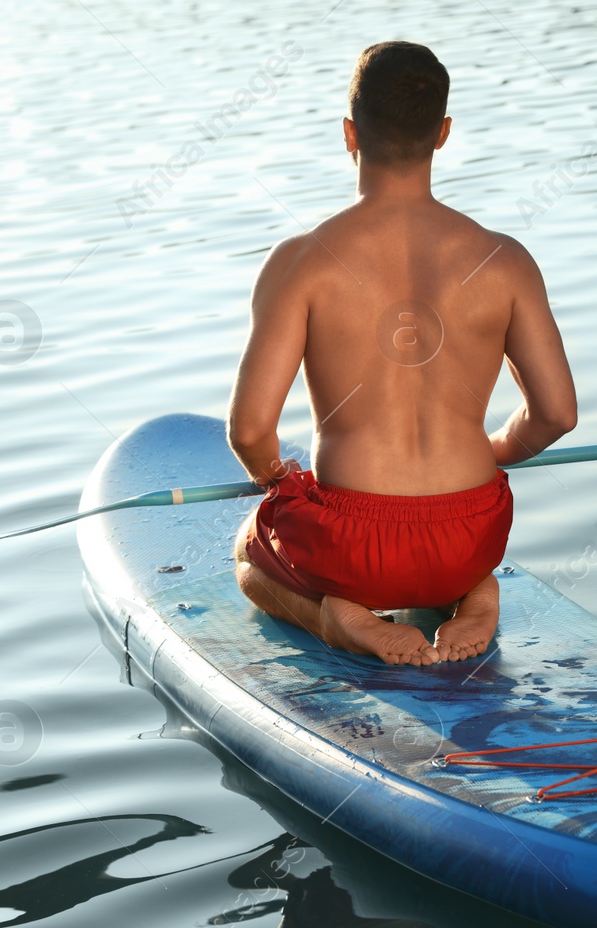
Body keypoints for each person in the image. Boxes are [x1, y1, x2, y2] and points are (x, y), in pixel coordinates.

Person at [229, 41, 577, 666]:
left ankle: (338, 620)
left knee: (248, 553)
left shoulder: (301, 263)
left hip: (353, 545)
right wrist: (493, 451)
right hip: (474, 531)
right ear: (443, 134)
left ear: (348, 134)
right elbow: (556, 414)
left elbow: (251, 430)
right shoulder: (506, 260)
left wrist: (279, 480)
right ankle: (473, 591)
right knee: (447, 552)